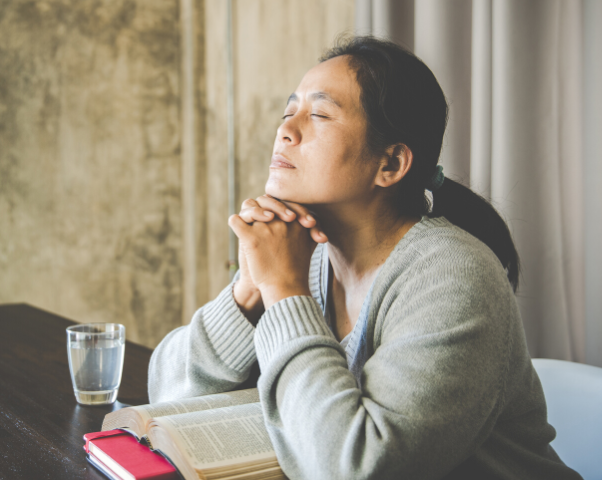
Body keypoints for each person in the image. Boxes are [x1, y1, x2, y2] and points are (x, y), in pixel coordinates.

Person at [148, 37, 582, 480]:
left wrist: (282, 292)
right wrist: (249, 290)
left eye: (318, 114)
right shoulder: (307, 257)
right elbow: (165, 396)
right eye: (288, 111)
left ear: (390, 163)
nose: (286, 130)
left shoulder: (455, 278)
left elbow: (359, 468)